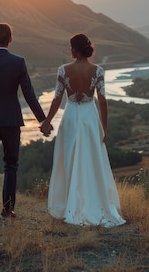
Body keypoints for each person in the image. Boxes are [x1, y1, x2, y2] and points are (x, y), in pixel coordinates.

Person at [40, 33, 125, 227]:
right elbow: (102, 100)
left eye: (71, 47)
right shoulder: (98, 70)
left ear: (75, 49)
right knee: (91, 159)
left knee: (69, 158)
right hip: (89, 118)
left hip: (70, 117)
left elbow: (57, 98)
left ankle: (70, 206)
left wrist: (47, 121)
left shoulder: (63, 70)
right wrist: (104, 128)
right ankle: (94, 204)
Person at [0, 23, 50, 225]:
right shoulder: (18, 62)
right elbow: (29, 94)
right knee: (11, 164)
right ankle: (8, 209)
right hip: (10, 120)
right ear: (10, 39)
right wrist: (43, 120)